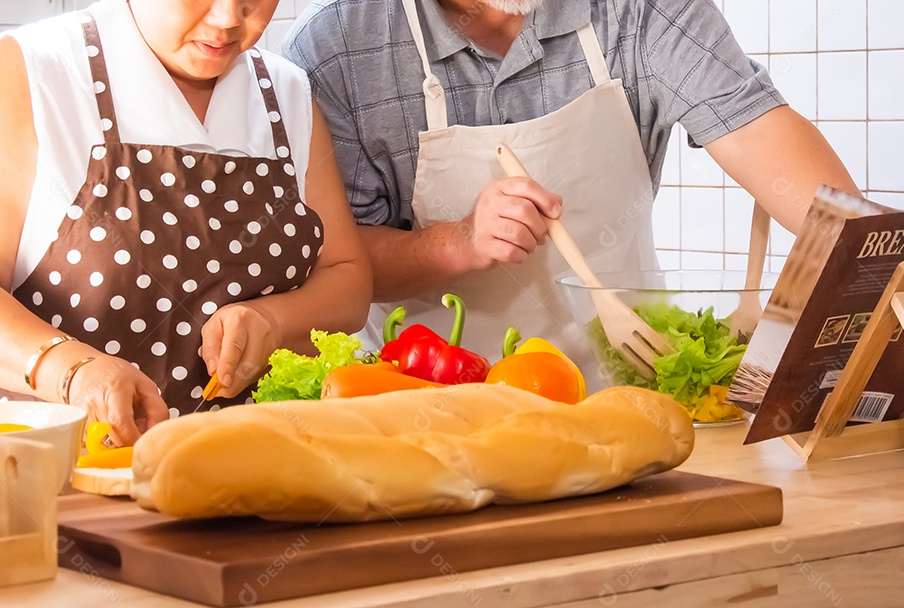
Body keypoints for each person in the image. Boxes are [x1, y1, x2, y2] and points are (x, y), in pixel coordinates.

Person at [283, 0, 859, 388]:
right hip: (428, 402)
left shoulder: (642, 11)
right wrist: (456, 242)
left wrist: (891, 269)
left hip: (634, 396)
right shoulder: (335, 47)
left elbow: (769, 143)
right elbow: (336, 264)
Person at [0, 0, 374, 445]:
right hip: (64, 475)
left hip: (248, 473)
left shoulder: (285, 91)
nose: (229, 19)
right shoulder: (36, 70)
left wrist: (271, 319)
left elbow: (348, 277)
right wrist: (72, 371)